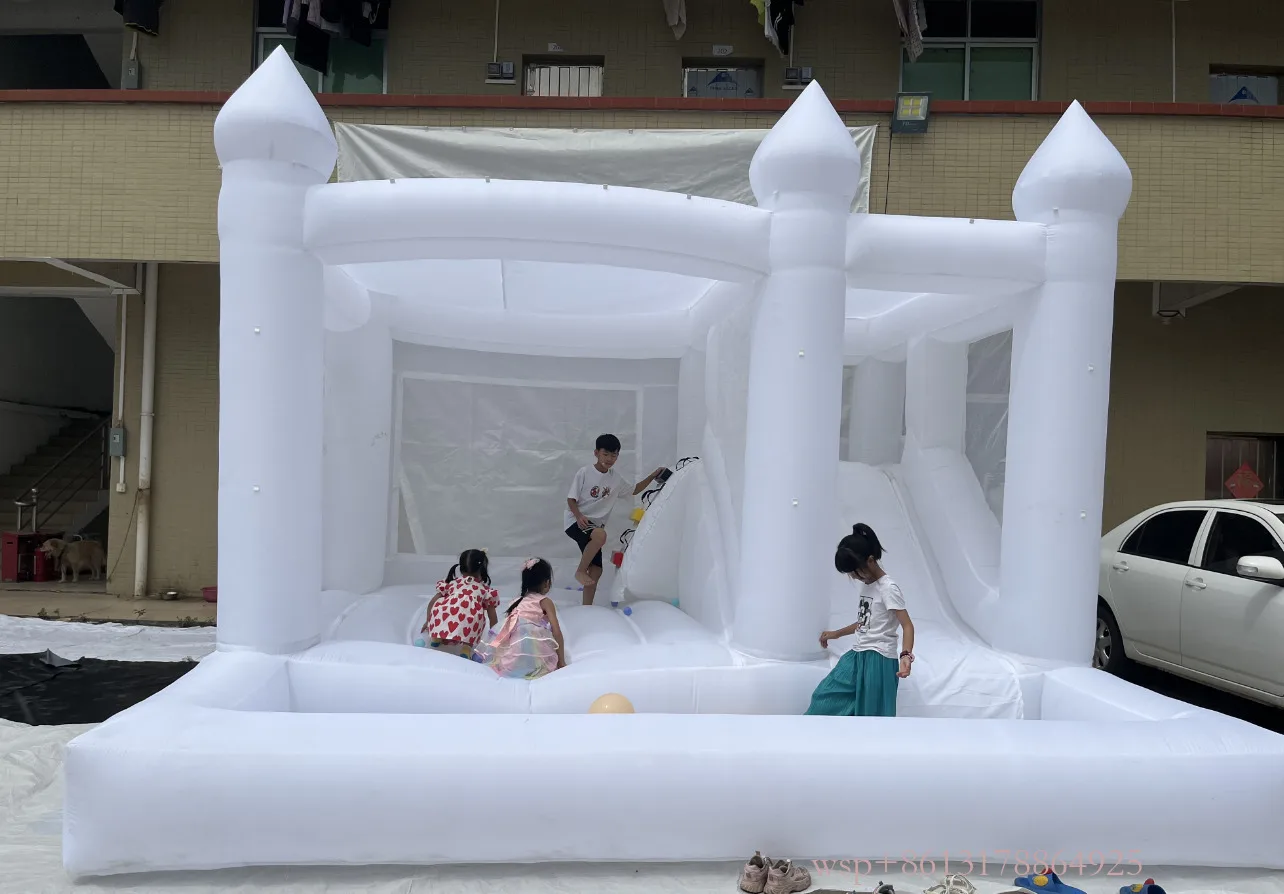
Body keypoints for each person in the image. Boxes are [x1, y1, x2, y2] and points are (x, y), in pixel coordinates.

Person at [805, 523, 915, 717]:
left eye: (856, 572)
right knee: (823, 697)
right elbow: (866, 622)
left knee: (870, 716)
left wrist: (905, 656)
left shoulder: (888, 588)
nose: (854, 577)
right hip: (858, 655)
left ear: (871, 561)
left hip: (878, 659)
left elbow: (907, 625)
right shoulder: (868, 585)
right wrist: (837, 633)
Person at [564, 433, 666, 605]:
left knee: (596, 570)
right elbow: (571, 499)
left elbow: (633, 490)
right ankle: (580, 571)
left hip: (593, 527)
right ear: (596, 453)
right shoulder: (584, 473)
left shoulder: (615, 479)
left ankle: (586, 607)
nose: (610, 459)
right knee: (600, 535)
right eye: (606, 454)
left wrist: (652, 476)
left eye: (614, 455)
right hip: (576, 522)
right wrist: (579, 515)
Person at [473, 557, 566, 678]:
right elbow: (556, 631)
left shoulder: (516, 601)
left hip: (514, 644)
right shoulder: (545, 601)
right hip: (531, 642)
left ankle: (510, 663)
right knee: (539, 656)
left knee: (514, 648)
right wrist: (561, 661)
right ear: (547, 583)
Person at [420, 548, 499, 658]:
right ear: (482, 569)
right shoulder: (484, 590)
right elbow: (492, 617)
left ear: (461, 568)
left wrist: (428, 621)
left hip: (444, 615)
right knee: (473, 617)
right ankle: (466, 647)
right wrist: (494, 636)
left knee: (445, 610)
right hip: (469, 623)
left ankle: (437, 636)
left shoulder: (452, 583)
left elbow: (433, 601)